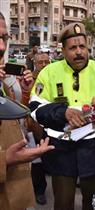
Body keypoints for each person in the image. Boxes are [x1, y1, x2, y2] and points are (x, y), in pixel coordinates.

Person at [29, 22, 95, 210]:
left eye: (82, 47)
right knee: (63, 202)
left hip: (92, 146)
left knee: (91, 200)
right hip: (61, 147)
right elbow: (35, 108)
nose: (79, 52)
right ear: (63, 50)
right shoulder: (48, 72)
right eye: (72, 48)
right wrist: (64, 113)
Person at [0, 12, 54, 210]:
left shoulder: (6, 82)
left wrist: (24, 91)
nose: (2, 47)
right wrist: (5, 159)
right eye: (41, 63)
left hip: (14, 180)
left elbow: (16, 112)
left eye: (4, 38)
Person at [28, 52, 51, 205]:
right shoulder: (28, 81)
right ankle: (40, 190)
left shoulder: (54, 78)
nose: (44, 65)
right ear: (35, 63)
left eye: (46, 62)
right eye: (40, 62)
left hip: (53, 127)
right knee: (37, 162)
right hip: (34, 127)